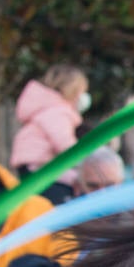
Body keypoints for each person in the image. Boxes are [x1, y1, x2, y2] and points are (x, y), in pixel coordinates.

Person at [11, 64, 90, 204]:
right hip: (40, 168)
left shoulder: (48, 108)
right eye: (82, 91)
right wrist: (85, 161)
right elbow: (66, 146)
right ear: (73, 90)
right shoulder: (57, 111)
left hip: (31, 166)